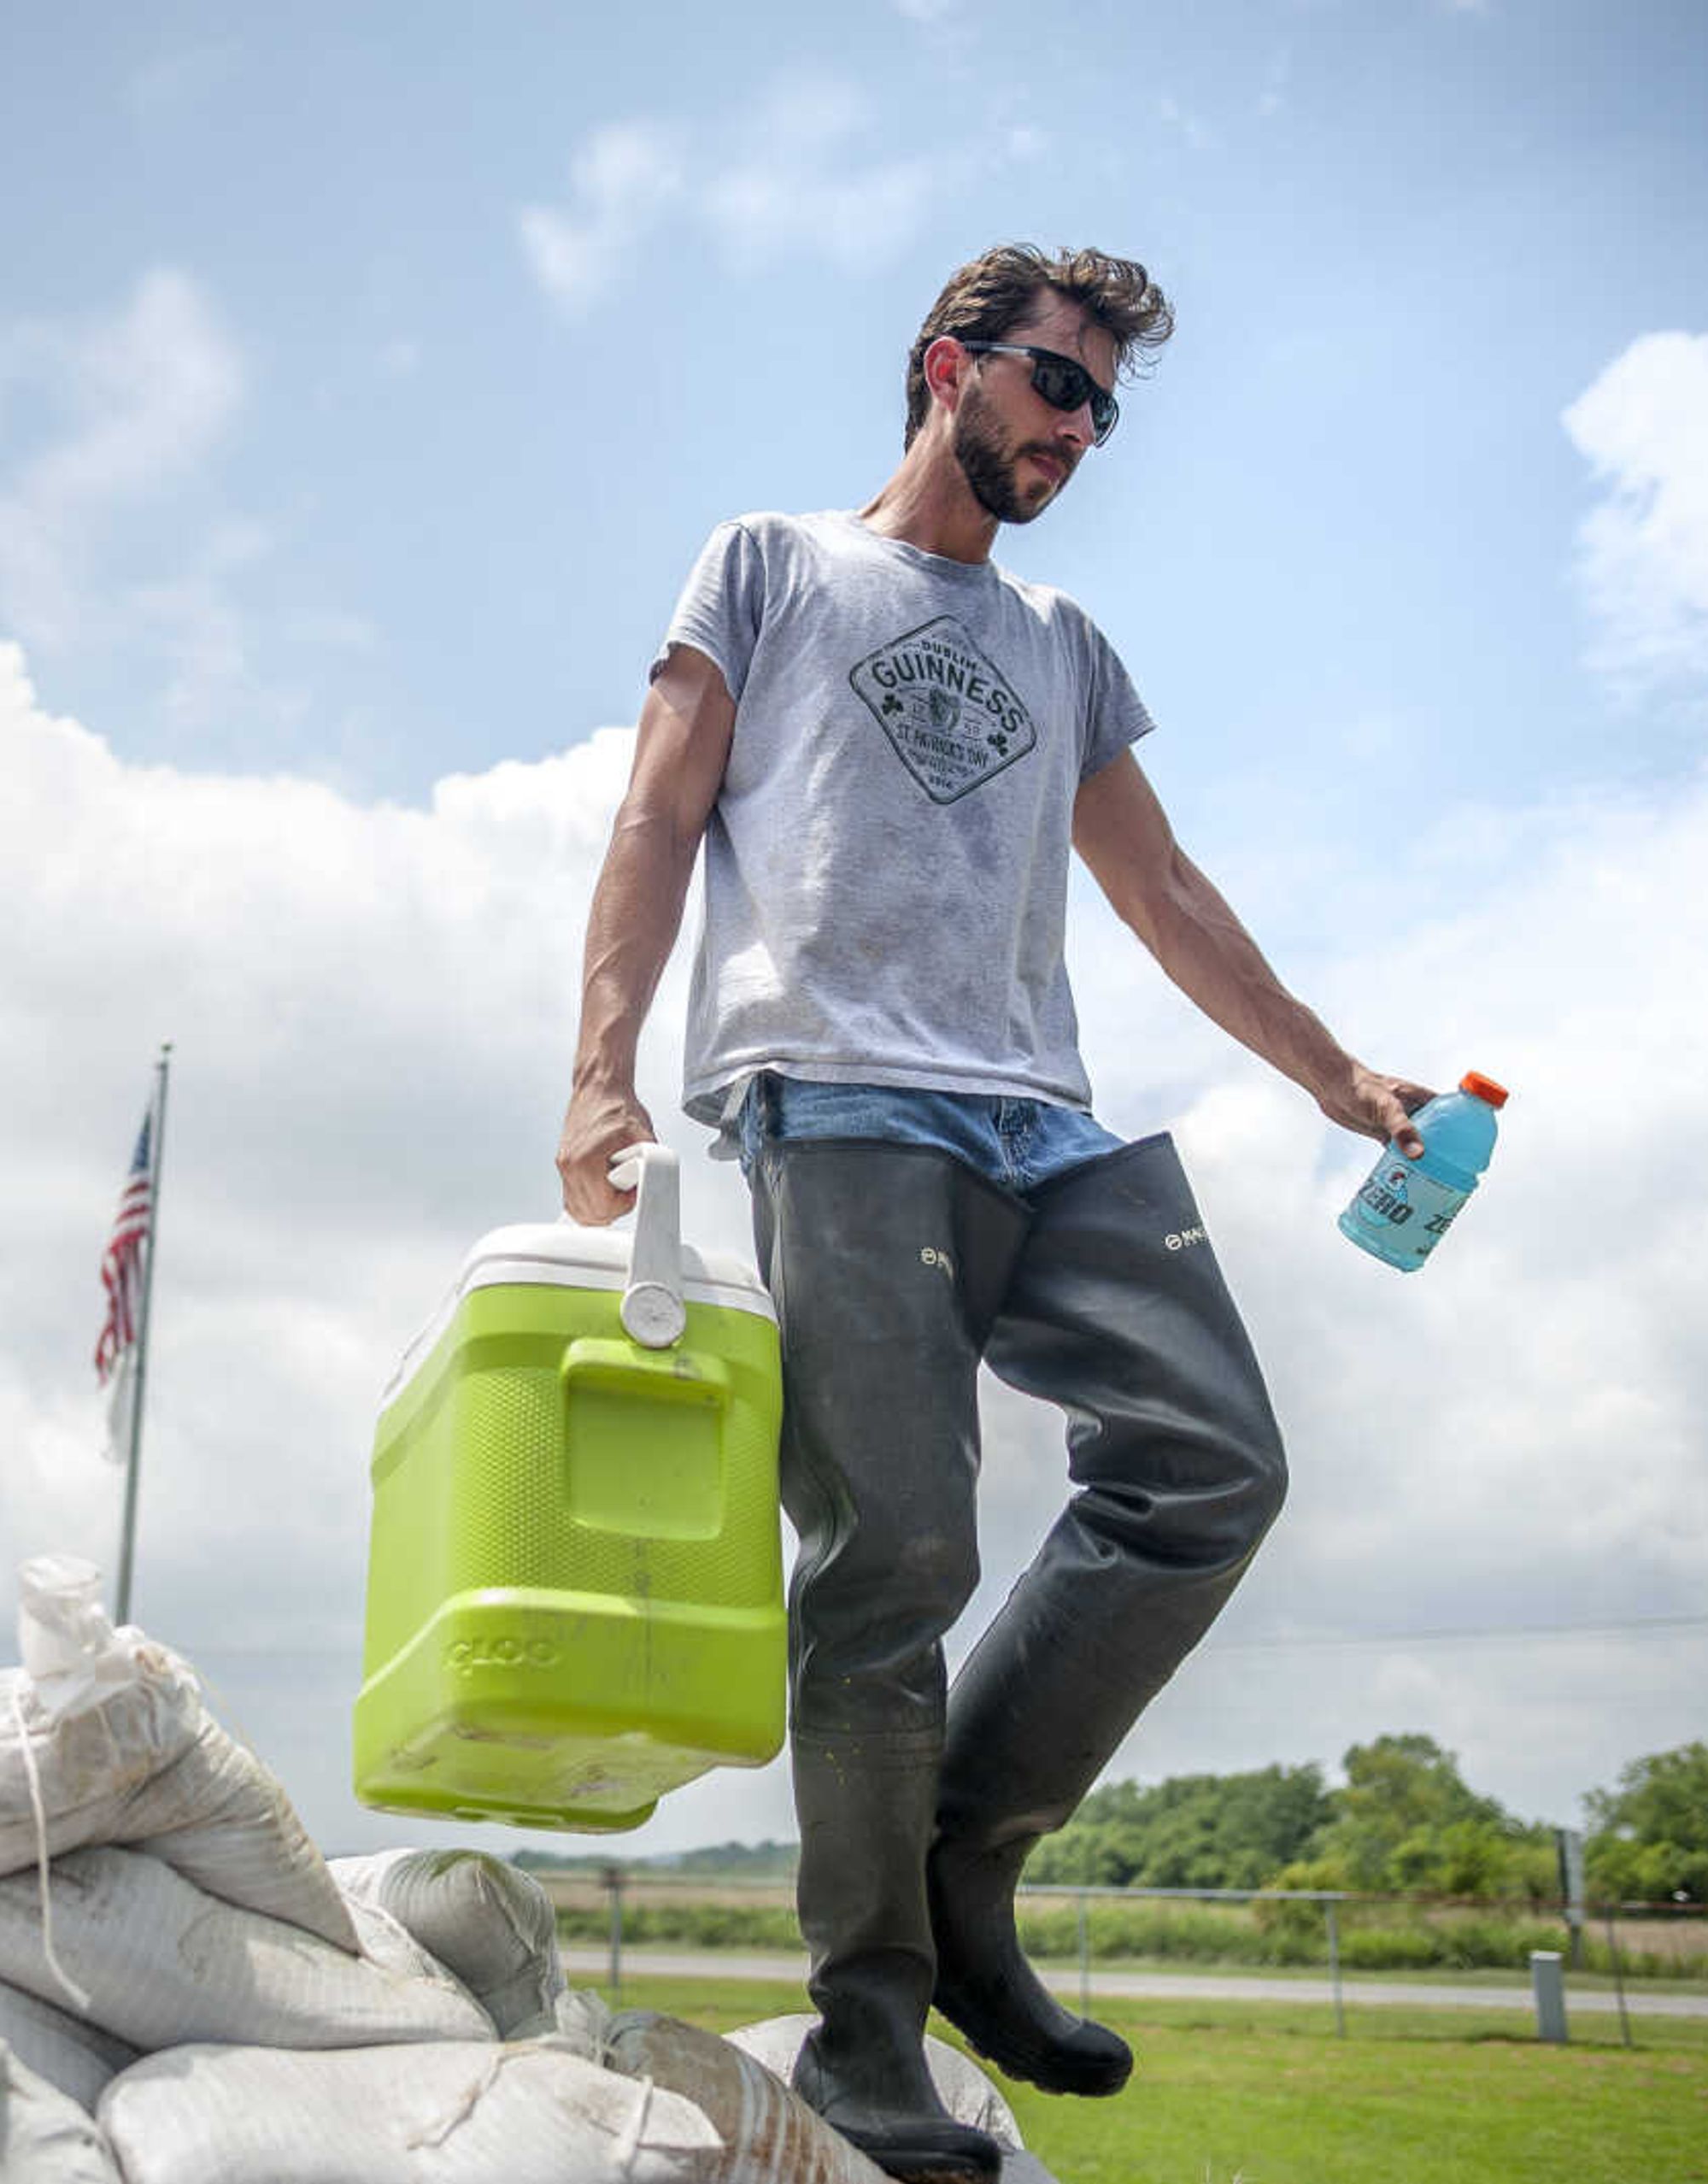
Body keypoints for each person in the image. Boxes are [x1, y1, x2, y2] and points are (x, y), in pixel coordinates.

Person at [557, 244, 1431, 2181]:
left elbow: (1165, 891)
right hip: (842, 1100)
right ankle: (866, 2035)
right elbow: (655, 812)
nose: (1082, 429)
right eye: (1057, 385)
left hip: (1046, 1122)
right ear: (949, 365)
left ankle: (964, 1864)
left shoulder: (1061, 635)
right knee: (895, 1568)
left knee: (1211, 1467)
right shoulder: (770, 564)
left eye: (1108, 407)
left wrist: (1335, 1074)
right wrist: (598, 1067)